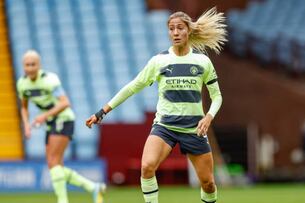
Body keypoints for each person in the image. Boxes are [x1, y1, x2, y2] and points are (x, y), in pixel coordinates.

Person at [86, 7, 226, 203]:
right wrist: (103, 111)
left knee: (208, 183)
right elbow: (132, 87)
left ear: (189, 31)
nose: (175, 33)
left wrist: (209, 116)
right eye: (171, 29)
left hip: (194, 129)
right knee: (147, 167)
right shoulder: (159, 61)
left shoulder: (202, 62)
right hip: (165, 127)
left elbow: (217, 96)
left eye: (180, 28)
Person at [17, 50, 106, 203]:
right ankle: (93, 187)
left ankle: (63, 200)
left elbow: (65, 103)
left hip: (63, 119)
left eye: (33, 64)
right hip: (51, 122)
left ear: (39, 65)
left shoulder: (50, 79)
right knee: (55, 165)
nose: (30, 68)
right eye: (27, 65)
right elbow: (24, 107)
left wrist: (44, 116)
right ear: (23, 66)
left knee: (53, 162)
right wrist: (26, 125)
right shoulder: (22, 84)